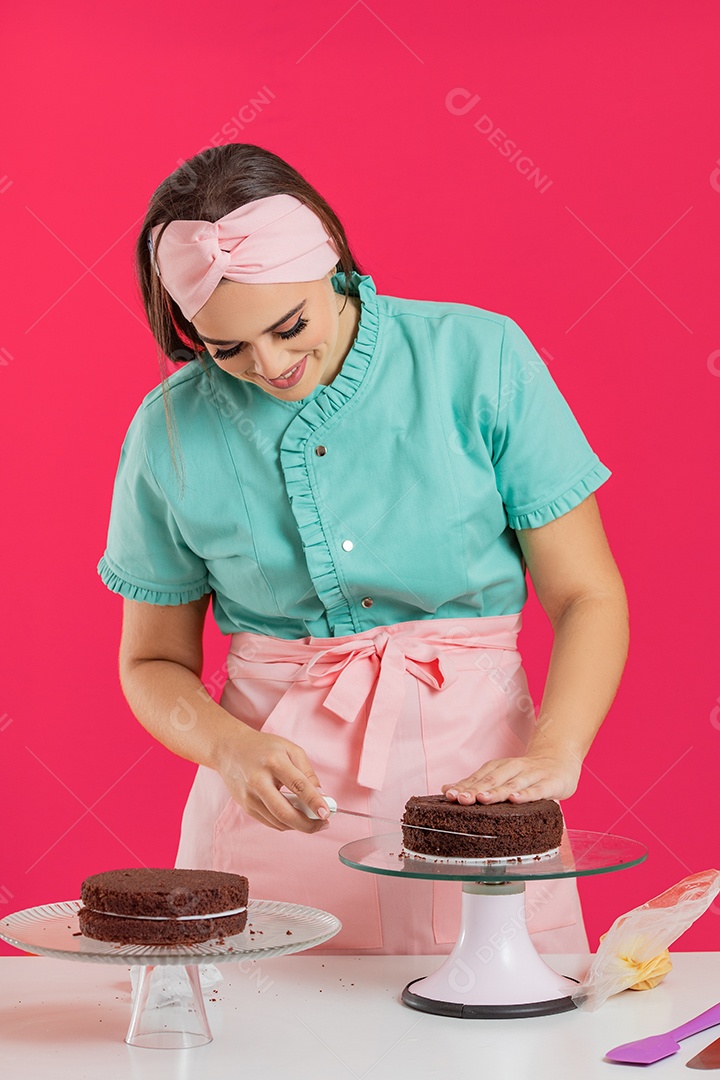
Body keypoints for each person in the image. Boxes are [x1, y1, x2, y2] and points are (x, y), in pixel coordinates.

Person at [98, 142, 629, 955]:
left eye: (289, 326)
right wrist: (228, 749)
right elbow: (151, 663)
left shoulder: (480, 360)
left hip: (479, 794)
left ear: (334, 264)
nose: (269, 366)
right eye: (225, 349)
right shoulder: (168, 427)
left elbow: (585, 595)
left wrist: (557, 751)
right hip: (273, 810)